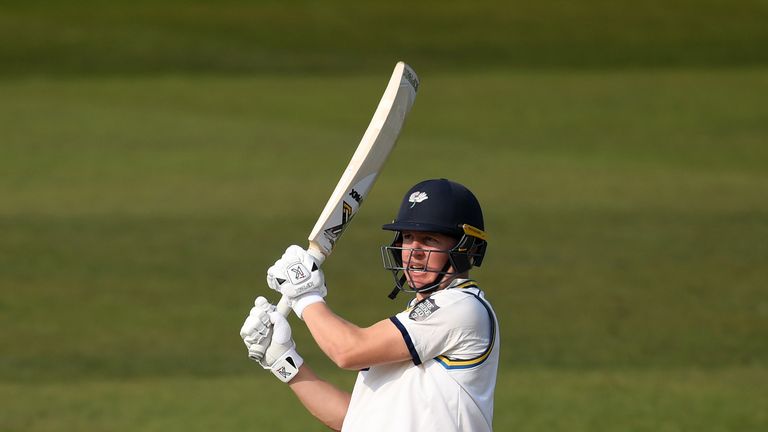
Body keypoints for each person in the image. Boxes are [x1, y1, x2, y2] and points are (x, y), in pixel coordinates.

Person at [240, 178, 499, 431]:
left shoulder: (463, 308)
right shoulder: (416, 322)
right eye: (408, 237)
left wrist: (304, 296)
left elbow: (349, 351)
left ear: (467, 248)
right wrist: (284, 362)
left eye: (430, 239)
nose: (414, 250)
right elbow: (354, 419)